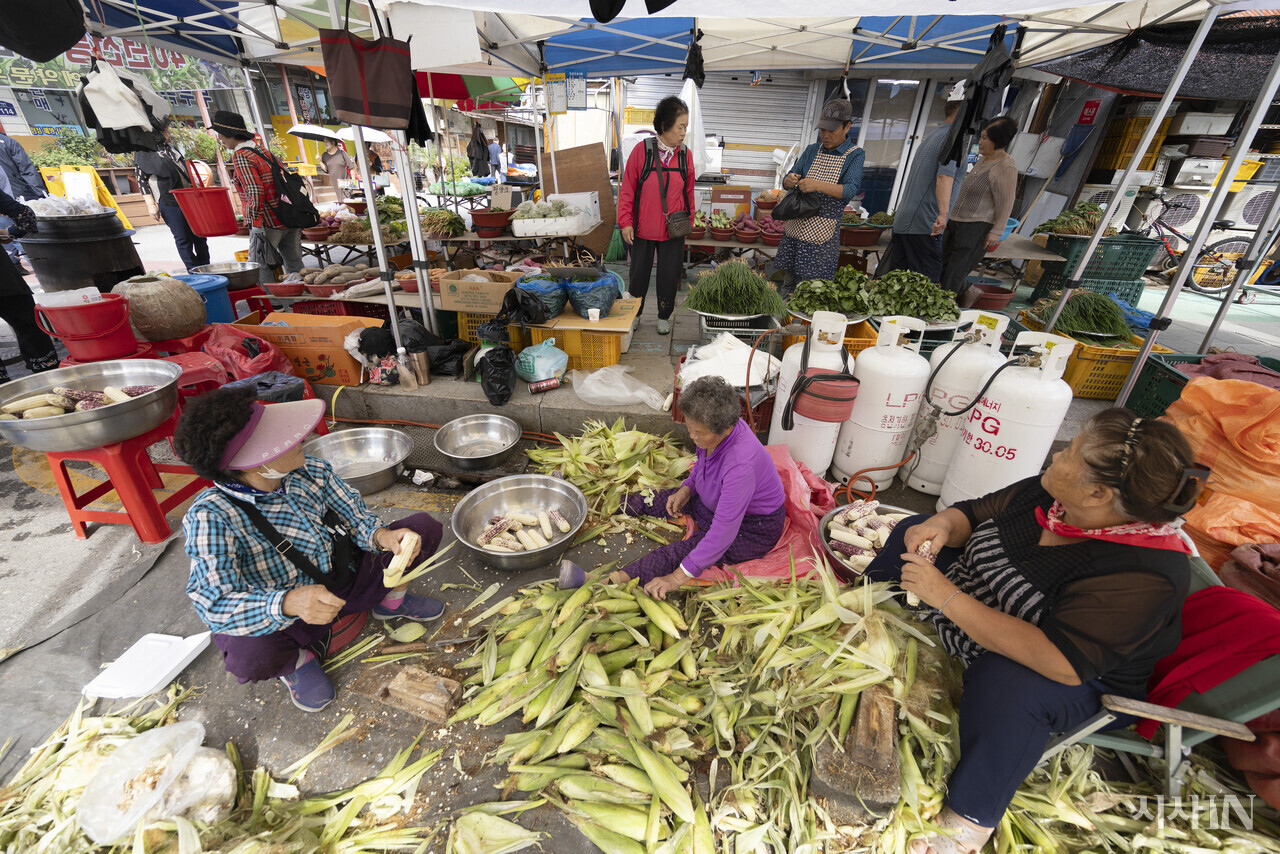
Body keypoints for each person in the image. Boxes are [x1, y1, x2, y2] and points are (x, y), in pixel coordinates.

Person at [864, 408, 1203, 854]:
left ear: (1099, 493)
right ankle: (868, 622)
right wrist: (938, 526)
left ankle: (969, 820)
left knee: (1009, 682)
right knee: (911, 528)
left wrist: (945, 597)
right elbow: (972, 514)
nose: (1060, 454)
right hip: (986, 609)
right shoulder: (1053, 498)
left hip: (1077, 680)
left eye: (1074, 454)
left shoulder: (1144, 572)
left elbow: (1058, 661)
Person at [175, 386, 447, 712]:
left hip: (341, 578)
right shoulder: (211, 516)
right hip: (286, 615)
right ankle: (299, 663)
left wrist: (380, 537)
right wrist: (287, 602)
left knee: (421, 530)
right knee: (248, 656)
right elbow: (213, 601)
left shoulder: (311, 471)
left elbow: (355, 516)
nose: (298, 438)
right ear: (253, 465)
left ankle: (389, 603)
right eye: (283, 440)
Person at [609, 376, 786, 600]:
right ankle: (599, 510)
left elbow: (722, 534)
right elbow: (703, 467)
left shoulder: (740, 466)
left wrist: (675, 578)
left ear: (726, 429)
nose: (693, 437)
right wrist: (687, 489)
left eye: (699, 433)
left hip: (750, 530)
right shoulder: (715, 432)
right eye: (690, 428)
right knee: (654, 499)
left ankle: (613, 580)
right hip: (710, 503)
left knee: (680, 553)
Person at [616, 95, 695, 335]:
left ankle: (663, 315)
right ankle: (635, 313)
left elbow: (689, 192)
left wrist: (688, 223)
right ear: (664, 126)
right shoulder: (643, 151)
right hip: (642, 228)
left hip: (674, 229)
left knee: (669, 276)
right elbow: (627, 189)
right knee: (638, 275)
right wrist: (625, 222)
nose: (683, 132)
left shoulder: (685, 155)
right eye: (680, 127)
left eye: (686, 127)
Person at [774, 99, 865, 297]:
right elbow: (790, 177)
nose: (826, 135)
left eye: (831, 130)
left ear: (847, 126)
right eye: (823, 130)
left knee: (811, 292)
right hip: (795, 228)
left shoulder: (854, 155)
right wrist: (789, 180)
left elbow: (850, 190)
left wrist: (816, 185)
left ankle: (802, 326)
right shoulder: (812, 150)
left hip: (820, 237)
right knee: (787, 285)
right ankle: (782, 323)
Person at [876, 84, 965, 283]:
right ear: (962, 109)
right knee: (924, 287)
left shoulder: (933, 136)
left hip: (908, 222)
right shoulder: (953, 140)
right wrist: (943, 215)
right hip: (926, 225)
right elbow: (944, 177)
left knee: (898, 285)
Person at [210, 110, 303, 285]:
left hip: (267, 220)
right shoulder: (262, 150)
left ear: (230, 134)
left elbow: (254, 191)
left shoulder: (242, 156)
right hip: (288, 215)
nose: (220, 140)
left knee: (261, 266)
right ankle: (302, 302)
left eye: (221, 136)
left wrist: (255, 222)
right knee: (295, 263)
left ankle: (275, 305)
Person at [939, 115, 1018, 307]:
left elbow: (1007, 202)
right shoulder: (983, 160)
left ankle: (942, 308)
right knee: (940, 263)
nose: (980, 142)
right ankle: (968, 290)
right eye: (981, 137)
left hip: (977, 226)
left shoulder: (1006, 167)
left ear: (997, 141)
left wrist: (996, 232)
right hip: (955, 220)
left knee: (955, 270)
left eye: (984, 138)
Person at [135, 118, 211, 273]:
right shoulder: (144, 153)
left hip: (189, 198)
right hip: (169, 201)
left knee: (200, 234)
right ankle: (193, 269)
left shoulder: (171, 148)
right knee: (183, 238)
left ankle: (207, 267)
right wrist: (151, 205)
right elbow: (141, 179)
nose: (169, 134)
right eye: (166, 131)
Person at [0, 188, 57, 381]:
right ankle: (49, 378)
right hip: (4, 281)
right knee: (28, 325)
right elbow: (26, 217)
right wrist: (11, 232)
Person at [0, 131, 45, 270]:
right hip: (15, 197)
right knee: (22, 239)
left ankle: (14, 264)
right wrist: (41, 195)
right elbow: (27, 170)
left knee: (6, 234)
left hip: (7, 199)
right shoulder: (8, 142)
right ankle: (40, 271)